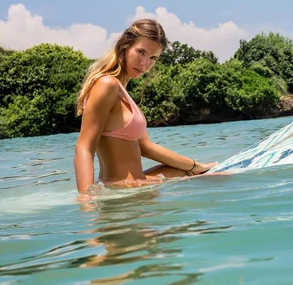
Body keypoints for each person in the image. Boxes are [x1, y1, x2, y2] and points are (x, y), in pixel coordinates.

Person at [74, 18, 217, 196]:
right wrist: (87, 199)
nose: (145, 64)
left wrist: (196, 166)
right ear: (125, 45)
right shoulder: (107, 84)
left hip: (136, 184)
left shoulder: (122, 90)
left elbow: (146, 147)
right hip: (123, 191)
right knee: (212, 181)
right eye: (141, 52)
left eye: (153, 58)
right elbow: (84, 147)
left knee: (197, 174)